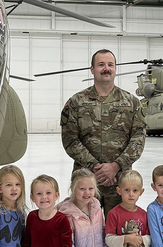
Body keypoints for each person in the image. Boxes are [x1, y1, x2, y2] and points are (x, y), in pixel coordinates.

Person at [61, 49, 146, 213]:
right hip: (86, 182)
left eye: (110, 65)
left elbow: (138, 140)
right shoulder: (76, 102)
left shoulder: (132, 103)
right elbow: (70, 140)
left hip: (121, 183)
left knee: (119, 231)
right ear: (92, 69)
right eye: (101, 65)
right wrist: (95, 167)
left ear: (115, 69)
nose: (106, 68)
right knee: (84, 230)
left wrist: (115, 166)